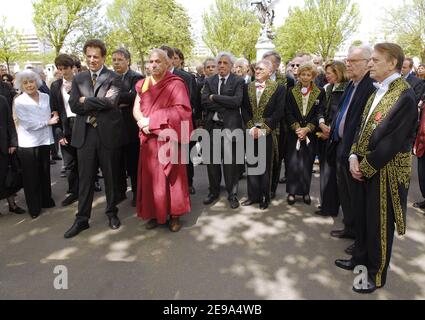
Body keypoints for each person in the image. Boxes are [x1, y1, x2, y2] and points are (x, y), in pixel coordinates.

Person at [336, 43, 417, 294]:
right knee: (362, 218)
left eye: (375, 60)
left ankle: (375, 274)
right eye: (369, 60)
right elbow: (362, 128)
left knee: (379, 224)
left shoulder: (404, 94)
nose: (370, 64)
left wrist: (365, 166)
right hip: (364, 167)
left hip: (386, 172)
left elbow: (392, 141)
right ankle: (359, 260)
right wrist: (353, 156)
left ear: (392, 63)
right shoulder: (377, 90)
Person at [64, 39, 125, 239]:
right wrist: (91, 102)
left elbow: (110, 102)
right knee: (85, 180)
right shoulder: (79, 78)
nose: (92, 60)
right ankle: (82, 219)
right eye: (88, 56)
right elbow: (74, 106)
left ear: (103, 58)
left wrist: (86, 101)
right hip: (85, 136)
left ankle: (111, 213)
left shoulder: (113, 77)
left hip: (106, 135)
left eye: (96, 57)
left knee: (110, 178)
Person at [133, 48, 193, 232]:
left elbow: (182, 112)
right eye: (151, 61)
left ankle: (174, 215)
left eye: (158, 61)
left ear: (168, 64)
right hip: (149, 140)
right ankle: (154, 213)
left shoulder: (176, 84)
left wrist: (152, 121)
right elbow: (136, 107)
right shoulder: (142, 84)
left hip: (169, 138)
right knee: (151, 179)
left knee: (172, 179)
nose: (153, 65)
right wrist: (141, 122)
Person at [327, 46, 375, 250]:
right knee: (345, 192)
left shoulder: (370, 86)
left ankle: (360, 239)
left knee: (357, 196)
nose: (348, 64)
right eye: (347, 60)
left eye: (353, 61)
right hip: (341, 145)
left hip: (354, 150)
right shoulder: (351, 84)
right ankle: (349, 227)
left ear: (367, 63)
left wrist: (354, 150)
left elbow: (363, 123)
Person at [201, 52, 245, 209]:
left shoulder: (238, 81)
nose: (221, 65)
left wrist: (215, 97)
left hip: (230, 128)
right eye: (219, 62)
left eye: (225, 63)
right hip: (212, 128)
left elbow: (237, 101)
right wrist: (222, 102)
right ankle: (213, 191)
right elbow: (204, 101)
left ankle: (232, 194)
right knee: (212, 163)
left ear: (231, 66)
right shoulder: (209, 80)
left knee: (230, 164)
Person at [13, 70, 58, 219]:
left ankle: (46, 199)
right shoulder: (19, 101)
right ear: (21, 85)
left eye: (31, 81)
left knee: (44, 171)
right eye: (25, 83)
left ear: (36, 82)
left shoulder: (45, 96)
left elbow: (52, 111)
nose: (29, 85)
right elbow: (27, 124)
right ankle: (34, 206)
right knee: (30, 176)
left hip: (45, 140)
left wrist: (55, 114)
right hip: (28, 143)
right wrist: (48, 122)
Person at [241, 60, 285, 210]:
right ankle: (252, 196)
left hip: (268, 132)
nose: (257, 71)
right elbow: (244, 109)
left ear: (270, 72)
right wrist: (251, 127)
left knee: (265, 165)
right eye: (256, 68)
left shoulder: (279, 88)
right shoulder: (247, 87)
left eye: (261, 69)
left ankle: (265, 196)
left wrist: (263, 130)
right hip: (251, 131)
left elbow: (279, 112)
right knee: (252, 163)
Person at [285, 62, 325, 205]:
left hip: (310, 134)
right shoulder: (290, 91)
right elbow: (287, 112)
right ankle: (291, 192)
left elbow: (320, 112)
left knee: (307, 163)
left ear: (313, 76)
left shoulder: (320, 92)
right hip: (293, 133)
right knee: (293, 162)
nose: (305, 77)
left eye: (308, 75)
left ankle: (305, 192)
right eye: (303, 74)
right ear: (299, 75)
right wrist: (297, 128)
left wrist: (308, 128)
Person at [315, 60, 349, 217]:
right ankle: (326, 205)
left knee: (335, 174)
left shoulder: (347, 89)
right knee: (325, 171)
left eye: (330, 73)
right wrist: (322, 124)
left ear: (338, 72)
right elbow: (320, 109)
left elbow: (343, 113)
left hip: (337, 137)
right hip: (324, 134)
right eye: (326, 73)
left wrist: (332, 129)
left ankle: (333, 206)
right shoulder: (326, 89)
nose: (327, 76)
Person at [112, 48, 144, 207]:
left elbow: (134, 97)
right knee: (117, 162)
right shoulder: (109, 77)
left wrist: (114, 98)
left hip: (131, 127)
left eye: (119, 59)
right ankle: (120, 192)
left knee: (133, 163)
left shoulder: (137, 77)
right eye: (114, 60)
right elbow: (103, 98)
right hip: (114, 126)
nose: (116, 63)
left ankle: (137, 193)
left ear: (128, 61)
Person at [263, 50, 294, 195]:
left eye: (269, 61)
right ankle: (258, 190)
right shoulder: (255, 78)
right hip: (259, 125)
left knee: (276, 159)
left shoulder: (287, 79)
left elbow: (288, 104)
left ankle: (271, 189)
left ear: (276, 64)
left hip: (280, 126)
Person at [50, 54, 79, 207]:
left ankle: (87, 187)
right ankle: (74, 191)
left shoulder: (82, 81)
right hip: (65, 125)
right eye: (60, 69)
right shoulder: (55, 86)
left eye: (65, 68)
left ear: (72, 67)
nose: (63, 72)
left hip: (81, 124)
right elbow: (54, 110)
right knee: (69, 162)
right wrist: (59, 133)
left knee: (84, 160)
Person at [0, 95, 25, 215]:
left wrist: (13, 142)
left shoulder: (2, 99)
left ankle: (12, 205)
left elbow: (10, 121)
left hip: (4, 147)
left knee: (7, 177)